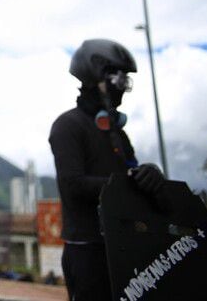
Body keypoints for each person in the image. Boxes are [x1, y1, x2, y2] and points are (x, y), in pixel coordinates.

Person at [49, 39, 166, 301]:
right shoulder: (67, 126)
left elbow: (132, 170)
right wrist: (127, 181)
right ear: (95, 76)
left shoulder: (116, 132)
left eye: (126, 80)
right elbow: (73, 184)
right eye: (118, 78)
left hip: (124, 243)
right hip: (88, 249)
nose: (123, 86)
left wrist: (149, 173)